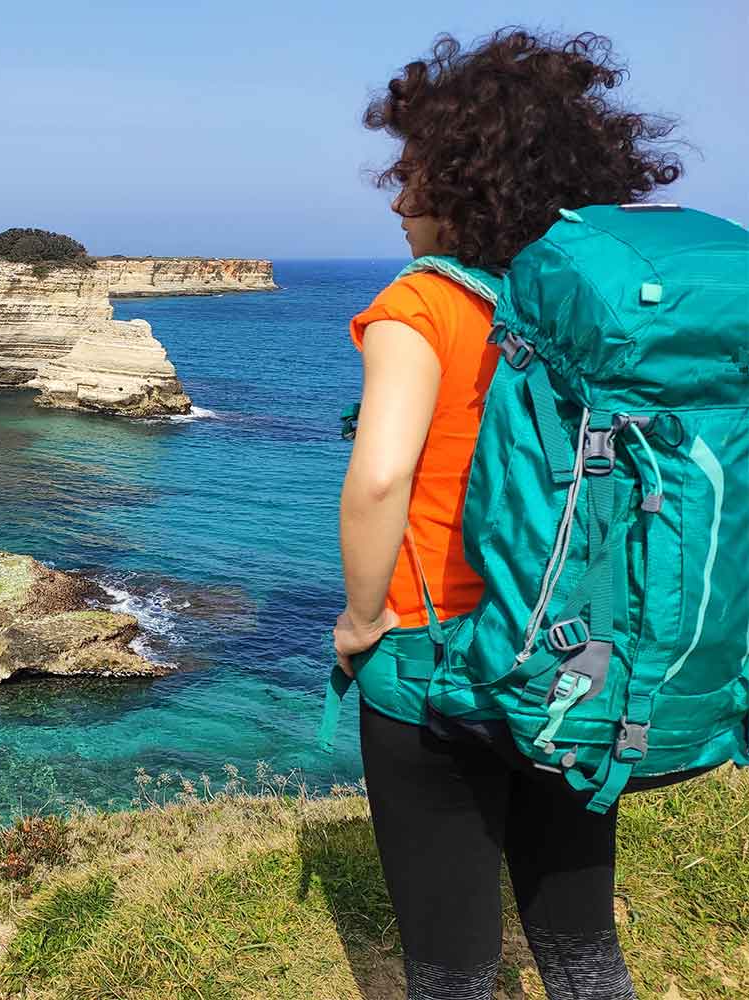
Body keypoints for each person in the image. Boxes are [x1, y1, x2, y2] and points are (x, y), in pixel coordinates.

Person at [334, 29, 682, 1000]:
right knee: (579, 946)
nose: (398, 199)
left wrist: (362, 623)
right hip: (580, 651)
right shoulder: (587, 315)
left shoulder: (422, 306)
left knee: (452, 968)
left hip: (436, 662)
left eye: (414, 177)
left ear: (466, 184)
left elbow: (377, 482)